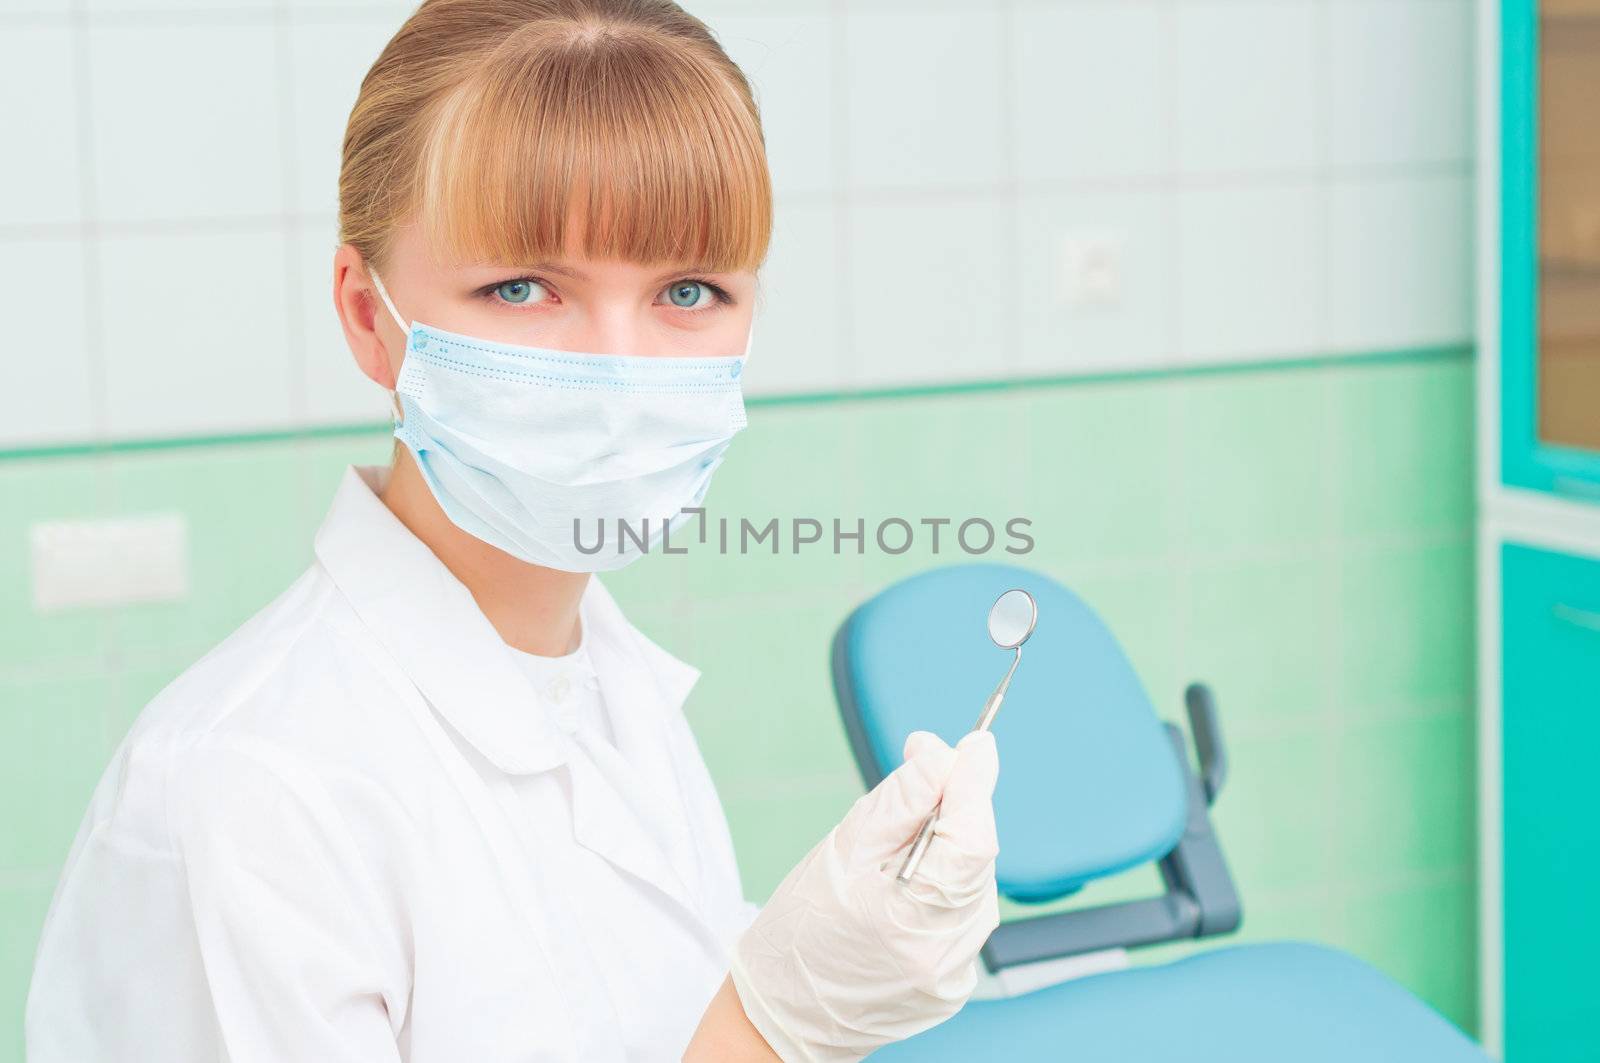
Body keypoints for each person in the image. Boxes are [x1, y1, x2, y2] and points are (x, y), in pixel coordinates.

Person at [25, 1, 1001, 1059]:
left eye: (688, 289)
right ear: (367, 314)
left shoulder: (602, 685)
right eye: (523, 288)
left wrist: (833, 967)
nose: (619, 373)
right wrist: (773, 1026)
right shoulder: (245, 792)